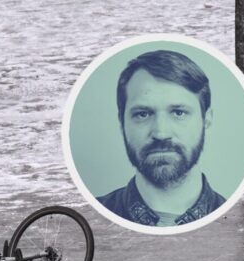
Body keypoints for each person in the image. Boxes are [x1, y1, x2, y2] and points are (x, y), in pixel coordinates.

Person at [97, 50, 226, 227]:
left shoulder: (239, 220)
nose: (161, 133)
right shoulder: (89, 217)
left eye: (178, 113)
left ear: (206, 121)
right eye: (143, 114)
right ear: (122, 123)